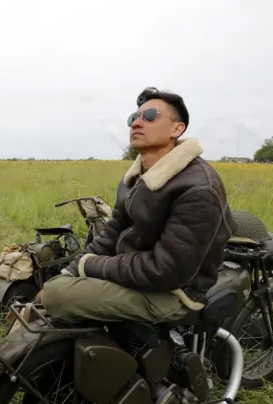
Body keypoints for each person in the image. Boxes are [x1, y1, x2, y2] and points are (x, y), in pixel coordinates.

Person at [38, 87, 237, 325]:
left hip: (174, 293)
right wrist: (72, 269)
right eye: (134, 118)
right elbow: (111, 235)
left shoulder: (198, 188)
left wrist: (91, 266)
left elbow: (166, 271)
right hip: (135, 273)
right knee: (54, 283)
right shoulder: (136, 177)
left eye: (150, 116)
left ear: (177, 128)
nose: (137, 123)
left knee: (56, 295)